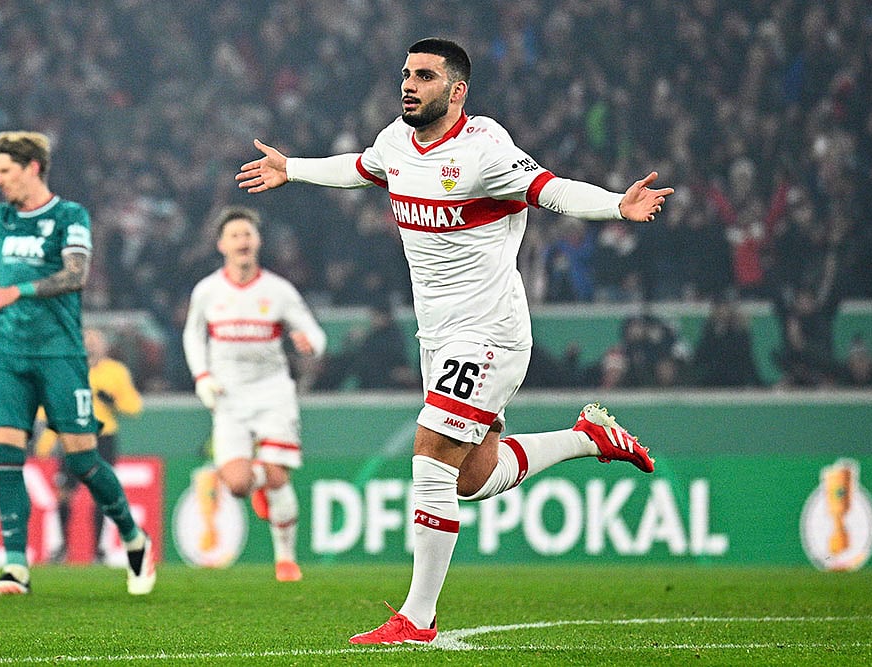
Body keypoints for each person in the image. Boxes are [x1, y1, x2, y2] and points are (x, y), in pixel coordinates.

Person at [237, 38, 672, 644]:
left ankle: (417, 618)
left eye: (424, 76)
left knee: (429, 456)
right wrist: (294, 169)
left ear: (456, 90)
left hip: (490, 332)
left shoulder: (484, 149)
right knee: (470, 478)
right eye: (405, 75)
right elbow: (361, 166)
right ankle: (587, 438)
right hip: (438, 338)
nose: (408, 86)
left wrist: (615, 206)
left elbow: (551, 189)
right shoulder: (397, 140)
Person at [0, 131, 156, 596]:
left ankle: (132, 536)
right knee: (6, 452)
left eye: (5, 171)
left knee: (83, 459)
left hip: (60, 354)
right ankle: (15, 569)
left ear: (33, 168)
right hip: (8, 353)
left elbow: (75, 273)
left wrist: (15, 291)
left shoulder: (69, 216)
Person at [182, 206, 327, 582]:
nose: (242, 242)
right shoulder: (208, 291)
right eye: (234, 236)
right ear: (221, 245)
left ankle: (285, 559)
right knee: (237, 484)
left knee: (278, 474)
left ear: (257, 241)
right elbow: (192, 335)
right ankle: (257, 479)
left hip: (273, 392)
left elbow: (316, 335)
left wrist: (308, 345)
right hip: (229, 397)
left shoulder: (278, 291)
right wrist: (202, 377)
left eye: (247, 234)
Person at [36, 327, 144, 564]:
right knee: (64, 493)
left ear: (104, 347)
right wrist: (46, 440)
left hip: (103, 439)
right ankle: (63, 547)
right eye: (87, 341)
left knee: (101, 494)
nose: (91, 346)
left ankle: (97, 551)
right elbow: (52, 408)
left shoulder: (116, 371)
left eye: (96, 342)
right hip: (71, 437)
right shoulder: (67, 371)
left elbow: (134, 406)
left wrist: (113, 401)